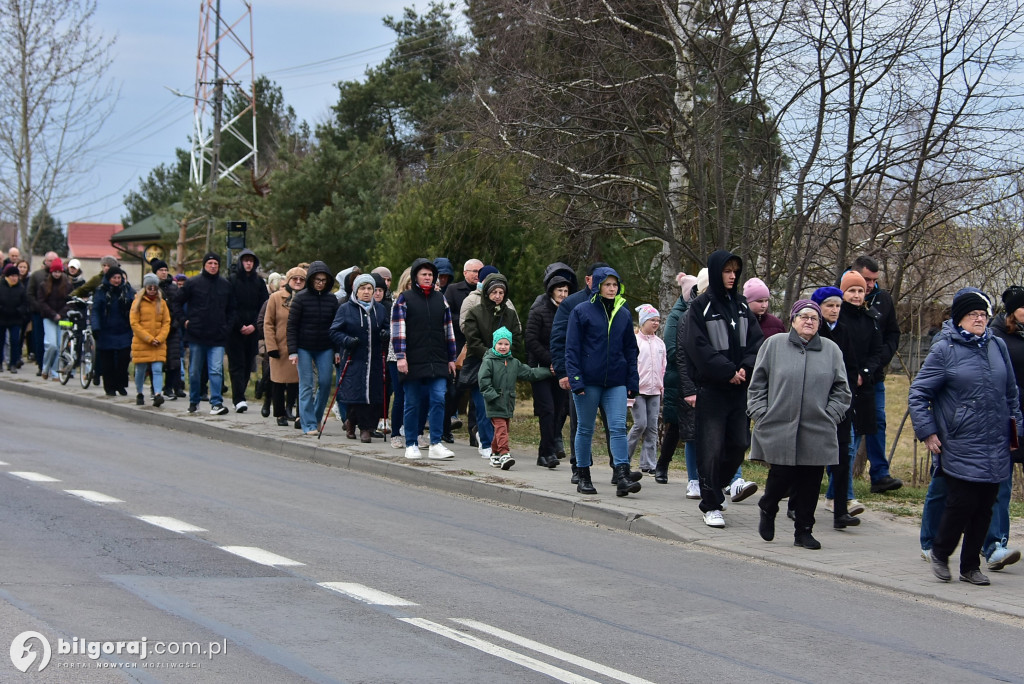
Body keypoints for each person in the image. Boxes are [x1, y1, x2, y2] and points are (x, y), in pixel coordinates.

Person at [909, 288, 1023, 586]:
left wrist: (1016, 431)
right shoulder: (945, 349)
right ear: (959, 318)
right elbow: (919, 392)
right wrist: (928, 431)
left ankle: (970, 566)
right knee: (961, 502)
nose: (979, 319)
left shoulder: (996, 346)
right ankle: (940, 552)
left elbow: (1011, 394)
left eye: (983, 315)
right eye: (973, 315)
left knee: (985, 505)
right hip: (959, 439)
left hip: (996, 439)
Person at [751, 299, 852, 550]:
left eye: (814, 318)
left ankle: (804, 531)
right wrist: (760, 412)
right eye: (804, 316)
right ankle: (768, 505)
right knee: (781, 475)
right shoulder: (774, 345)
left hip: (817, 426)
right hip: (779, 423)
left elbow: (842, 390)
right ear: (793, 320)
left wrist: (831, 415)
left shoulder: (831, 350)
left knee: (811, 480)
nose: (809, 321)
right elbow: (758, 383)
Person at [683, 249, 764, 527]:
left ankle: (715, 488)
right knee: (711, 448)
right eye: (726, 271)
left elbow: (756, 343)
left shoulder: (742, 307)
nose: (731, 276)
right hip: (712, 389)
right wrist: (726, 371)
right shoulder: (699, 307)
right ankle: (711, 504)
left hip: (738, 390)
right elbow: (697, 347)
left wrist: (744, 368)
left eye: (734, 271)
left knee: (739, 443)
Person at [565, 266, 641, 497]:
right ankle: (583, 474)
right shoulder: (581, 311)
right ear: (597, 285)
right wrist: (576, 380)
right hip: (588, 381)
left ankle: (622, 475)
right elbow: (572, 349)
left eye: (615, 285)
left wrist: (632, 382)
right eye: (607, 284)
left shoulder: (624, 313)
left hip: (616, 381)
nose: (611, 289)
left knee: (618, 427)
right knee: (585, 428)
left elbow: (631, 350)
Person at [810, 285, 869, 527]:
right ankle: (798, 506)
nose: (834, 310)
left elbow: (850, 368)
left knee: (843, 457)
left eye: (837, 306)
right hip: (815, 405)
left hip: (841, 404)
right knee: (811, 459)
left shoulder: (843, 331)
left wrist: (848, 397)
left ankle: (840, 511)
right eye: (829, 306)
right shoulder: (814, 331)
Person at [391, 258, 457, 460]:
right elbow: (398, 330)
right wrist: (401, 357)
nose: (428, 278)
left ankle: (436, 443)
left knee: (438, 398)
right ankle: (411, 443)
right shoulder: (405, 299)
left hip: (438, 358)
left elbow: (449, 330)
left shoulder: (440, 299)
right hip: (412, 360)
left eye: (430, 275)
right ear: (415, 277)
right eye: (424, 274)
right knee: (412, 402)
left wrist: (451, 357)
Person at [850, 256, 903, 493]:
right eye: (866, 279)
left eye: (873, 280)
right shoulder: (843, 295)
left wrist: (879, 360)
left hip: (874, 375)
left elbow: (892, 334)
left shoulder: (882, 300)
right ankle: (842, 478)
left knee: (877, 422)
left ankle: (880, 475)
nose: (870, 285)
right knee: (849, 428)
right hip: (849, 375)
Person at [462, 272, 522, 459]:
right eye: (494, 292)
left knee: (500, 408)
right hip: (480, 364)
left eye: (501, 292)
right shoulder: (475, 313)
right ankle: (486, 443)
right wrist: (491, 355)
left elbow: (517, 337)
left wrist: (507, 354)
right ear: (486, 293)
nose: (497, 296)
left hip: (504, 367)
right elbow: (473, 340)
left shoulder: (510, 314)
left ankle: (498, 444)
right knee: (483, 405)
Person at [525, 262, 576, 468]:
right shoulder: (539, 310)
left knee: (559, 409)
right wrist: (551, 360)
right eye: (559, 291)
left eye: (566, 291)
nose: (563, 294)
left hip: (561, 369)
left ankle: (548, 449)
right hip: (541, 368)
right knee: (546, 409)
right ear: (551, 291)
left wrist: (562, 364)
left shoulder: (570, 312)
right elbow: (531, 340)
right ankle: (545, 453)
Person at [479, 326, 553, 469]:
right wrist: (492, 396)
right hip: (494, 402)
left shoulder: (513, 363)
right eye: (500, 343)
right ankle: (504, 454)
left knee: (503, 430)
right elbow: (483, 381)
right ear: (494, 344)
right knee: (501, 428)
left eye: (506, 344)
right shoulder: (489, 361)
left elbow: (530, 373)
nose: (503, 347)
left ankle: (494, 453)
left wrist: (549, 372)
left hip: (507, 402)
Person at [330, 274, 389, 442]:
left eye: (369, 288)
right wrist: (346, 341)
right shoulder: (345, 309)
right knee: (356, 395)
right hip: (354, 358)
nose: (366, 292)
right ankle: (362, 428)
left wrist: (386, 334)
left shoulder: (380, 309)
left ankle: (360, 424)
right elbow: (334, 331)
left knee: (373, 395)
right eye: (362, 288)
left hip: (375, 359)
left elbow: (388, 327)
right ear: (356, 291)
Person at [179, 252, 235, 415]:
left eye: (216, 264)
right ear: (204, 265)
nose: (213, 266)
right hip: (197, 335)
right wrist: (184, 320)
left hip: (218, 336)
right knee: (195, 371)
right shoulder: (193, 283)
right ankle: (194, 401)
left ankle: (216, 402)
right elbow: (177, 302)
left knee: (216, 370)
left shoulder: (225, 285)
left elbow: (232, 310)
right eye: (210, 263)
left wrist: (227, 327)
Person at [287, 261, 339, 435]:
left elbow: (336, 326)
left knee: (325, 383)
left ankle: (316, 417)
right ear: (311, 279)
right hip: (304, 347)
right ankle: (307, 424)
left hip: (325, 347)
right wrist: (292, 351)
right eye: (317, 279)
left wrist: (337, 350)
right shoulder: (300, 298)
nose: (320, 283)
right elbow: (292, 326)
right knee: (307, 385)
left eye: (324, 280)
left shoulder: (332, 300)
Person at [657, 272, 698, 486]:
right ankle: (662, 466)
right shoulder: (676, 316)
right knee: (674, 425)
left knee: (694, 426)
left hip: (694, 377)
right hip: (677, 377)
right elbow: (672, 350)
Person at [227, 248, 268, 413]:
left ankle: (240, 394)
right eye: (245, 260)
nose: (248, 263)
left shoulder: (259, 283)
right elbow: (230, 306)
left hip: (253, 330)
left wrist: (253, 325)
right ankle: (238, 399)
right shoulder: (232, 280)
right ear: (241, 262)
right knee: (236, 365)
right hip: (235, 331)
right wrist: (239, 325)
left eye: (251, 260)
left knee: (246, 366)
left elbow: (263, 306)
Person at [627, 304, 666, 474]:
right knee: (640, 424)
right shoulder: (635, 342)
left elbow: (663, 367)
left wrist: (661, 386)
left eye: (657, 320)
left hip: (655, 391)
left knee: (652, 428)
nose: (655, 323)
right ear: (643, 322)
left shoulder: (660, 344)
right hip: (639, 390)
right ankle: (623, 459)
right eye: (652, 320)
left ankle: (648, 464)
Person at [264, 267, 304, 427]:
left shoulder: (307, 298)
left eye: (301, 279)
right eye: (295, 279)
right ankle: (279, 413)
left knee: (299, 382)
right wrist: (271, 346)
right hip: (279, 347)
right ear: (288, 280)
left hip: (300, 348)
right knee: (278, 382)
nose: (298, 282)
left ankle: (295, 412)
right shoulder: (275, 298)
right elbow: (268, 323)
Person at [91, 265, 136, 395]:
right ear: (108, 278)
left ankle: (120, 384)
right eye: (114, 278)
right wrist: (96, 327)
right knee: (107, 363)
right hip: (106, 331)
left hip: (124, 331)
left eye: (119, 278)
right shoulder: (101, 291)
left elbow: (135, 306)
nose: (117, 280)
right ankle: (109, 387)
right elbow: (96, 310)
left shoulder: (127, 290)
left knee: (123, 360)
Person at [129, 274, 170, 406]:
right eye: (149, 287)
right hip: (142, 342)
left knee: (157, 369)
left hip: (158, 343)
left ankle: (157, 394)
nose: (152, 289)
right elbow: (134, 323)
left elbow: (166, 322)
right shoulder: (137, 303)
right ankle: (139, 392)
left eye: (154, 287)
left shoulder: (162, 303)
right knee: (140, 369)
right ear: (145, 287)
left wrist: (159, 338)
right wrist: (148, 338)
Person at [151, 259, 185, 399]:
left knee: (174, 360)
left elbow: (178, 308)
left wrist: (175, 324)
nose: (164, 273)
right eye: (161, 270)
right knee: (156, 360)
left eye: (165, 270)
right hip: (156, 331)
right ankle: (155, 388)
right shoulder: (151, 288)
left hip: (173, 329)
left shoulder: (173, 288)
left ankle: (172, 386)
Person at [387, 268, 412, 448]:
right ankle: (396, 433)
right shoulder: (398, 301)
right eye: (409, 284)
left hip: (417, 355)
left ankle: (414, 431)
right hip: (396, 355)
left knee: (417, 396)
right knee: (400, 395)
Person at [36, 257, 71, 381]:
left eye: (59, 272)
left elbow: (70, 302)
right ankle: (45, 368)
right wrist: (52, 314)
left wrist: (61, 314)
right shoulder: (44, 285)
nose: (57, 274)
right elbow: (41, 302)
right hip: (48, 317)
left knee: (60, 346)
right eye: (55, 272)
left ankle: (56, 372)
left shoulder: (67, 285)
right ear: (51, 272)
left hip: (62, 317)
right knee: (52, 345)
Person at [26, 251, 58, 373]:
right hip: (38, 313)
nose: (51, 263)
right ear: (45, 261)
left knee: (54, 342)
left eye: (53, 260)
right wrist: (39, 307)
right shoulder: (36, 275)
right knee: (39, 339)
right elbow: (30, 294)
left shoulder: (60, 276)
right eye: (49, 260)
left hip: (55, 313)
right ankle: (41, 365)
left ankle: (54, 366)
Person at [0, 264, 28, 372]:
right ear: (7, 276)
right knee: (1, 341)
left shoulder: (21, 288)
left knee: (15, 341)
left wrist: (19, 311)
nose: (14, 278)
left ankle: (13, 363)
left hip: (15, 319)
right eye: (12, 276)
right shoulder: (1, 286)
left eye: (16, 276)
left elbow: (25, 303)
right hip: (2, 317)